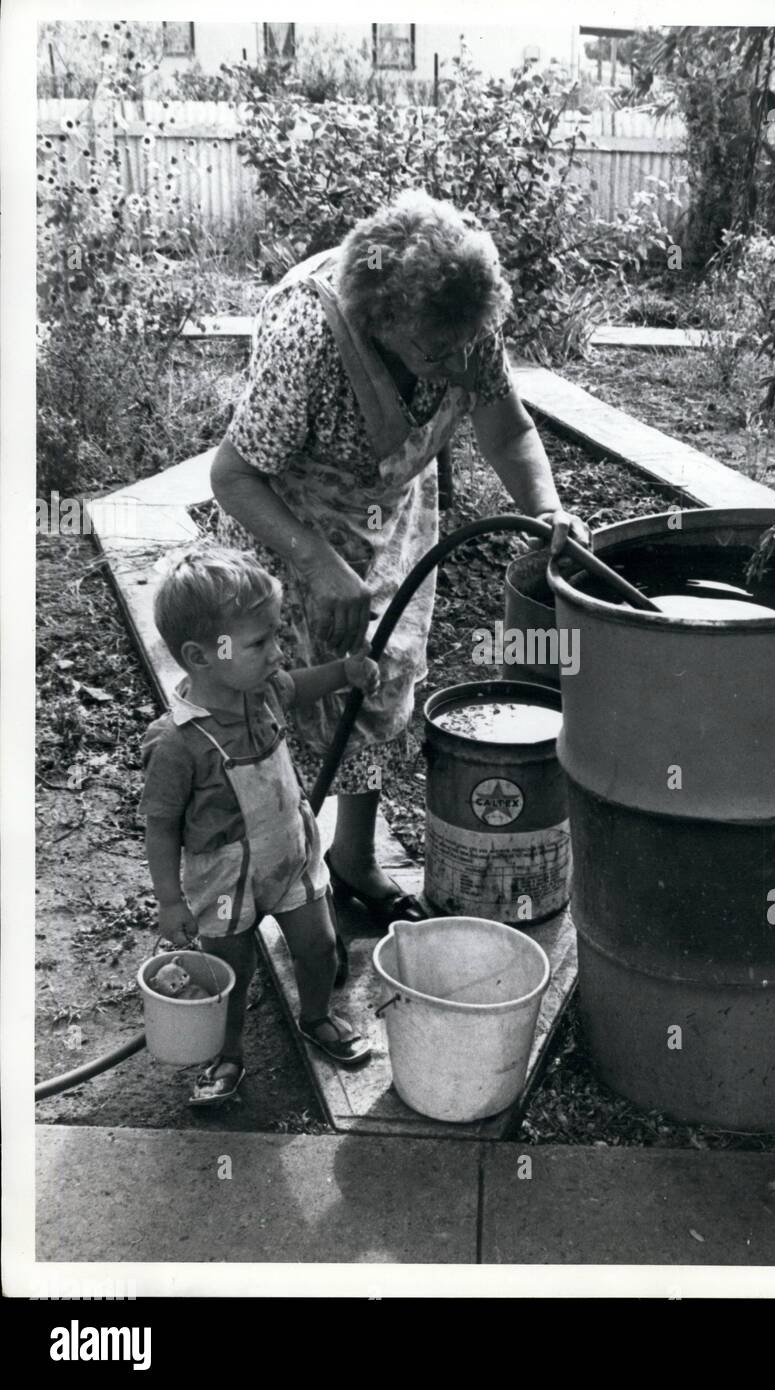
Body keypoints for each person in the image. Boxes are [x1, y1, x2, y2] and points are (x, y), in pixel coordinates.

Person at [210, 189, 589, 937]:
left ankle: (350, 859)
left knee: (376, 680)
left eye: (463, 347)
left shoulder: (461, 321)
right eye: (433, 354)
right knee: (294, 698)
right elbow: (233, 476)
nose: (455, 363)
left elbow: (507, 429)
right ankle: (268, 868)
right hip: (293, 520)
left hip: (386, 510)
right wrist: (318, 566)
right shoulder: (308, 340)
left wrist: (546, 508)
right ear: (382, 323)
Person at [139, 544, 380, 1106]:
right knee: (231, 972)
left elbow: (302, 684)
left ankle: (316, 1016)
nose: (278, 651)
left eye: (275, 635)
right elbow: (160, 828)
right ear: (201, 657)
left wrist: (344, 673)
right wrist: (171, 903)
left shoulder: (264, 693)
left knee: (319, 946)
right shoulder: (177, 744)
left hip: (289, 855)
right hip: (224, 880)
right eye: (260, 642)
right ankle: (227, 1053)